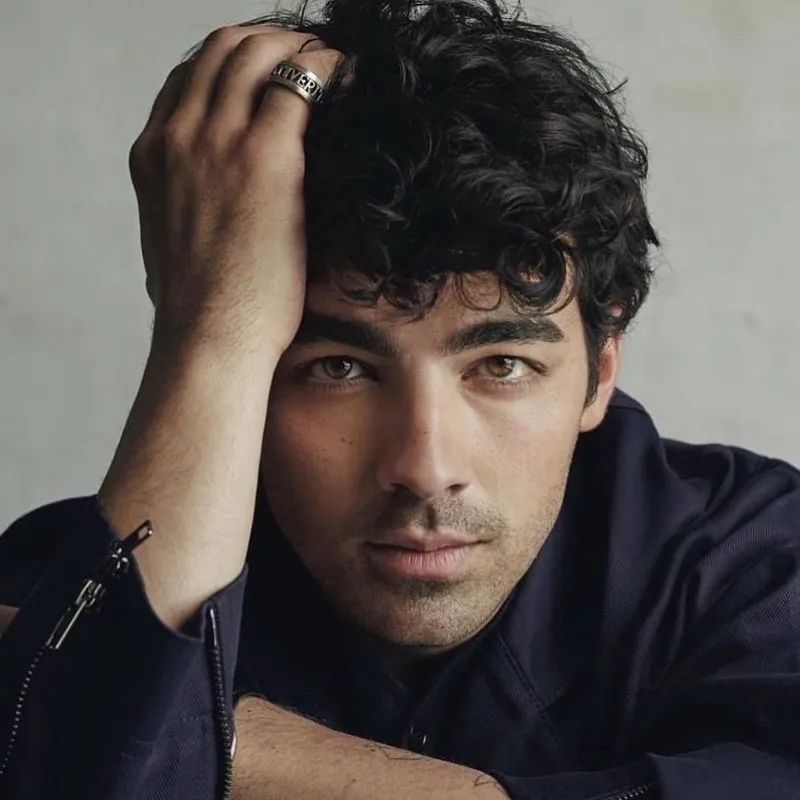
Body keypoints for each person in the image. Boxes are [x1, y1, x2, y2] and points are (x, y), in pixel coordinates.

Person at [0, 0, 798, 797]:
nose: (424, 466)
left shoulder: (753, 567)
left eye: (503, 365)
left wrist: (182, 730)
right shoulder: (57, 579)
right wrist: (210, 330)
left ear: (601, 370)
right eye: (339, 368)